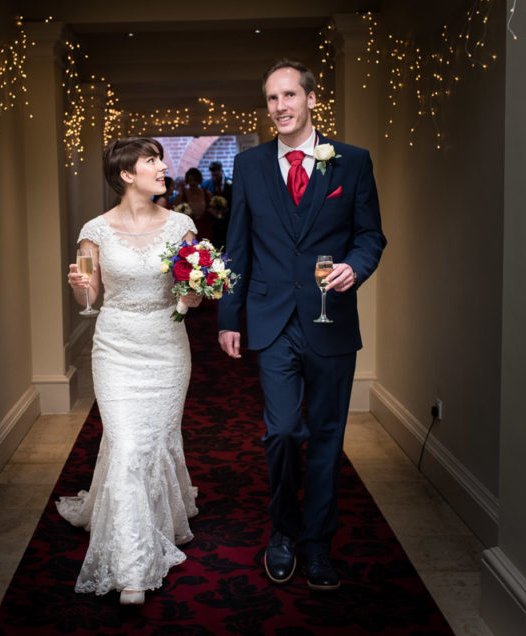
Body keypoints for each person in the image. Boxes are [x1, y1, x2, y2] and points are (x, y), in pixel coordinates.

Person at [217, 59, 386, 591]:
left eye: (290, 95)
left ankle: (317, 543)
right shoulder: (249, 166)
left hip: (330, 319)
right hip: (272, 320)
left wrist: (354, 268)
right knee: (285, 431)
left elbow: (371, 236)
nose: (281, 107)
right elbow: (236, 247)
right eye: (272, 98)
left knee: (329, 436)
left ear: (312, 100)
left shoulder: (352, 162)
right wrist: (229, 315)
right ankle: (284, 532)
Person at [60, 137, 202, 605]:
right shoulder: (95, 230)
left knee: (156, 440)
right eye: (152, 160)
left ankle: (157, 519)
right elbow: (89, 299)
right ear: (126, 174)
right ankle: (133, 569)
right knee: (125, 443)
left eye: (160, 160)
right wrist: (81, 286)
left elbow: (191, 296)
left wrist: (199, 288)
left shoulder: (181, 225)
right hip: (116, 348)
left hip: (166, 347)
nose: (163, 167)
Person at [173, 166, 214, 241]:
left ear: (199, 180)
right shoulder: (181, 196)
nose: (192, 183)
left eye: (195, 180)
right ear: (187, 181)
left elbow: (212, 210)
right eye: (190, 180)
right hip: (189, 228)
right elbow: (176, 214)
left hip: (205, 227)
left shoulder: (207, 194)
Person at [202, 160, 232, 248]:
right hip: (213, 224)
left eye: (217, 175)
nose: (214, 178)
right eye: (212, 175)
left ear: (221, 172)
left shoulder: (231, 183)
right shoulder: (205, 185)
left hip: (228, 222)